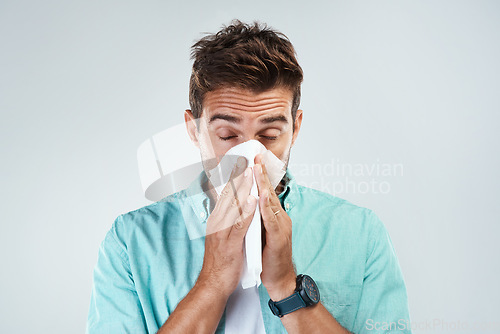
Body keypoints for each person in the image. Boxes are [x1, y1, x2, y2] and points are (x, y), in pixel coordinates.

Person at [86, 20, 412, 334]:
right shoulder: (130, 242)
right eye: (227, 134)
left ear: (295, 127)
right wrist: (212, 281)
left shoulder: (361, 233)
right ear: (194, 129)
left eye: (269, 134)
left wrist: (286, 286)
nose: (251, 156)